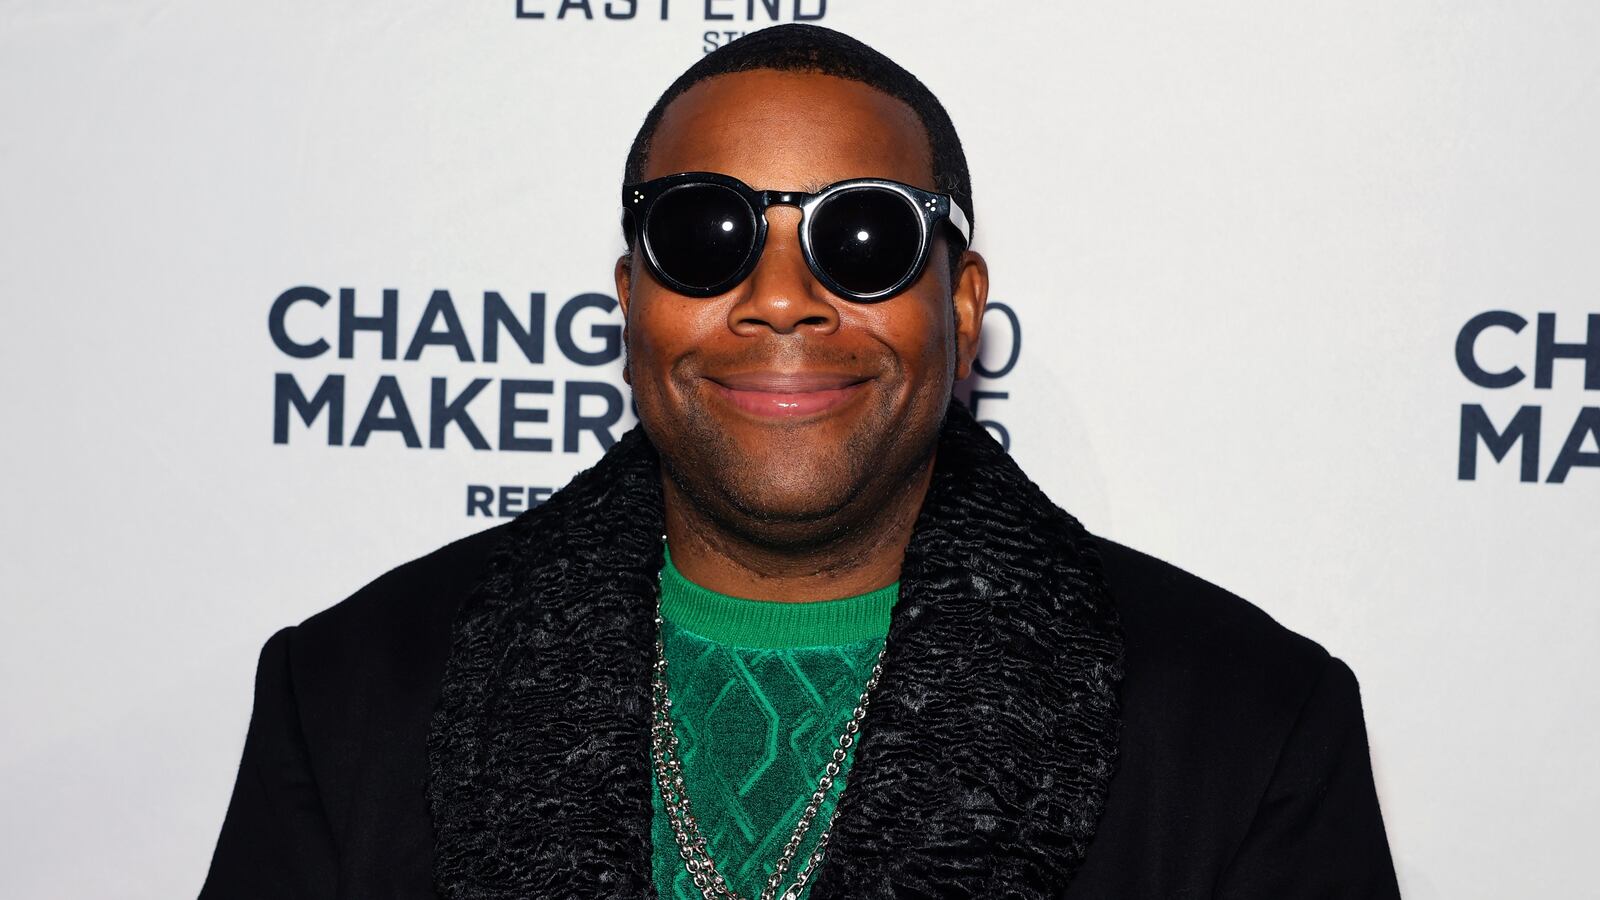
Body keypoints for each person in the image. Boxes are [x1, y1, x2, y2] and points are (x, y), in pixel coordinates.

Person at [201, 24, 1400, 900]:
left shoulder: (1246, 726)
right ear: (630, 301)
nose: (781, 299)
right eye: (702, 234)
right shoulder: (353, 694)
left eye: (863, 236)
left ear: (961, 302)